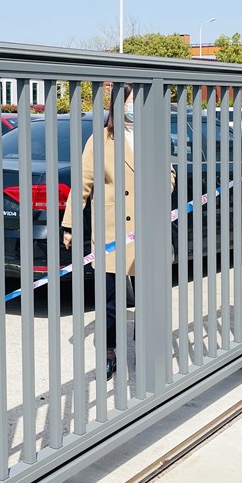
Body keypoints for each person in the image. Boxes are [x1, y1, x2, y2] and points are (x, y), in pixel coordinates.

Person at [60, 84, 175, 380]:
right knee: (110, 300)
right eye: (130, 101)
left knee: (147, 297)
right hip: (111, 229)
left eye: (139, 101)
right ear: (118, 104)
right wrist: (70, 224)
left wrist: (162, 185)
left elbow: (170, 175)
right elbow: (82, 184)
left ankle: (145, 349)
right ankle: (109, 352)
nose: (135, 107)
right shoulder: (101, 140)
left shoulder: (153, 137)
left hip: (145, 229)